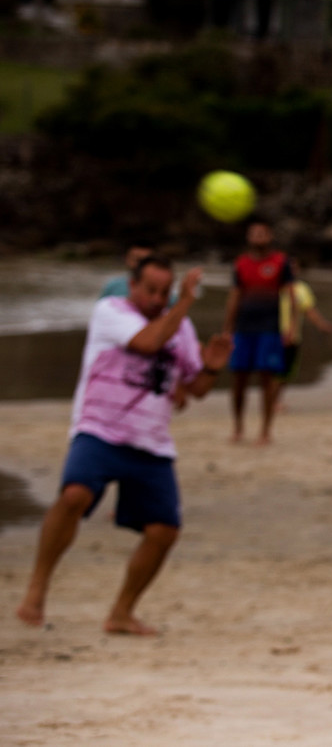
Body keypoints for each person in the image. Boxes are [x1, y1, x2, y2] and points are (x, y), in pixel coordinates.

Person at [15, 256, 231, 635]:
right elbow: (146, 342)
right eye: (151, 290)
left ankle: (121, 613)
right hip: (99, 429)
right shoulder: (110, 311)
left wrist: (212, 366)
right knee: (74, 495)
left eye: (165, 292)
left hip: (151, 441)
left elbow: (195, 389)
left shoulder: (180, 326)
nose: (157, 298)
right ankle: (36, 590)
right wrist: (183, 303)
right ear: (132, 286)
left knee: (164, 530)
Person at [222, 216, 295, 445]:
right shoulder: (240, 264)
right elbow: (234, 297)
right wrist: (227, 329)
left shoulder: (281, 262)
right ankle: (238, 428)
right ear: (248, 237)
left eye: (262, 233)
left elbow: (290, 295)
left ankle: (265, 430)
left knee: (267, 381)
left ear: (270, 236)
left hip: (270, 329)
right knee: (239, 380)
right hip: (244, 329)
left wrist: (290, 327)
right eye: (253, 233)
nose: (257, 238)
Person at [276, 265, 332, 410]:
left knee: (286, 372)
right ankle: (271, 401)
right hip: (272, 336)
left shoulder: (301, 289)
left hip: (293, 336)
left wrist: (321, 324)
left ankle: (276, 399)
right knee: (272, 370)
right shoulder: (273, 287)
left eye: (294, 267)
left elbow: (309, 309)